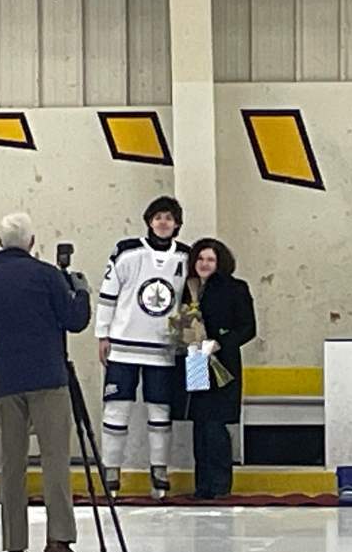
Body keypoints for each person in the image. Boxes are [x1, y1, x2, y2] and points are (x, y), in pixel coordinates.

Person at [0, 213, 91, 552]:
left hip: (5, 380)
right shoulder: (48, 275)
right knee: (54, 461)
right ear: (32, 242)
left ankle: (14, 549)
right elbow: (75, 321)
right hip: (48, 378)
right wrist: (79, 292)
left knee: (12, 465)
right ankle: (59, 541)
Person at [97, 195, 190, 498]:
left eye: (170, 218)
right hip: (123, 346)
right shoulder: (127, 251)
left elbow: (193, 305)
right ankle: (110, 474)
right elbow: (108, 294)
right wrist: (103, 334)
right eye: (158, 217)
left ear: (177, 224)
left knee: (160, 411)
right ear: (149, 220)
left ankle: (159, 473)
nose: (164, 222)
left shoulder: (186, 257)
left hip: (163, 350)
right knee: (116, 409)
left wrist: (189, 344)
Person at [174, 238, 256, 499]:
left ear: (220, 262)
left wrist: (220, 343)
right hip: (196, 361)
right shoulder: (188, 289)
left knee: (215, 425)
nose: (204, 264)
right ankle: (203, 486)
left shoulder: (236, 289)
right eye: (200, 259)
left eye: (210, 259)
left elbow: (248, 328)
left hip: (223, 365)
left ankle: (220, 485)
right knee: (200, 424)